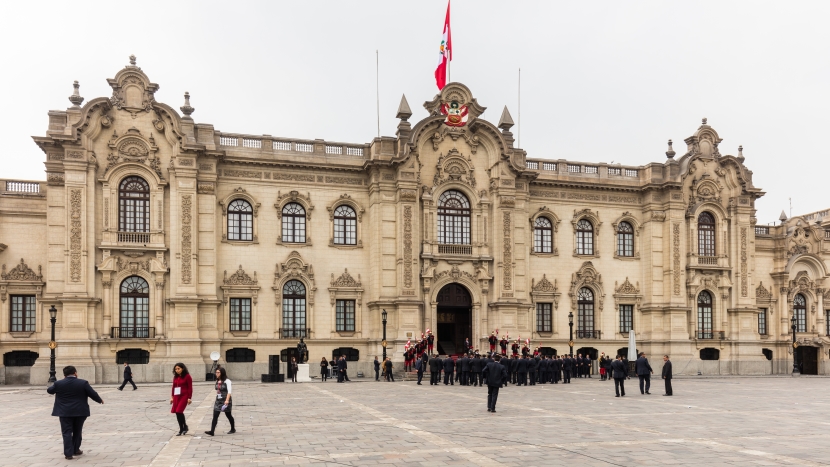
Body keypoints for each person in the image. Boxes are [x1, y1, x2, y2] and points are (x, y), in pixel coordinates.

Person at [47, 365, 104, 460]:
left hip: (64, 412)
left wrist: (58, 385)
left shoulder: (59, 383)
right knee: (77, 430)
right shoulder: (83, 383)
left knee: (66, 432)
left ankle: (68, 454)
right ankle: (76, 449)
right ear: (75, 373)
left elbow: (50, 391)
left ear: (64, 375)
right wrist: (99, 400)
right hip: (80, 411)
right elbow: (92, 393)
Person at [204, 367, 235, 436]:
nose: (217, 374)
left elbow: (229, 392)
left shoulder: (227, 381)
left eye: (218, 372)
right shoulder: (217, 380)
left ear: (222, 373)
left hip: (226, 399)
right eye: (216, 372)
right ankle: (212, 431)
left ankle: (233, 428)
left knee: (228, 415)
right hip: (218, 400)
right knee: (215, 415)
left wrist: (227, 400)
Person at [170, 363, 192, 436]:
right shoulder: (175, 377)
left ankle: (184, 427)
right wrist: (172, 397)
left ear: (182, 368)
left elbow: (190, 387)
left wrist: (189, 397)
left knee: (179, 410)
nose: (177, 370)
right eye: (176, 369)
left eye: (178, 368)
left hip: (184, 396)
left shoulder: (187, 376)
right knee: (177, 412)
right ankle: (182, 428)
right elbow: (173, 387)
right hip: (177, 396)